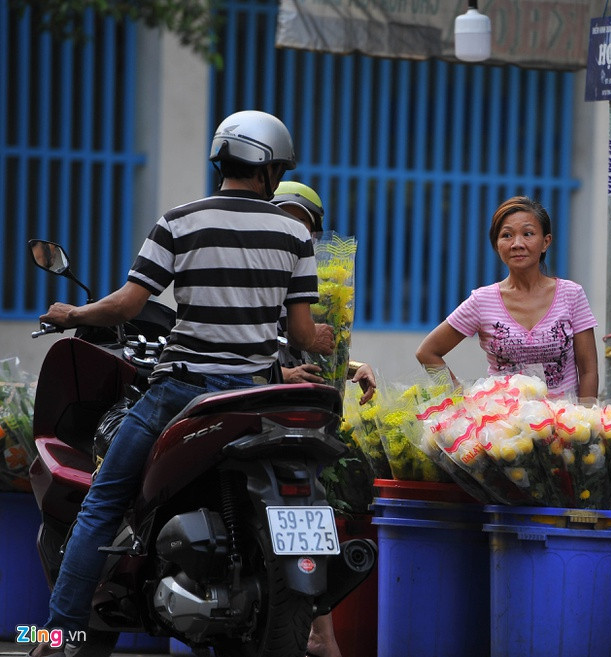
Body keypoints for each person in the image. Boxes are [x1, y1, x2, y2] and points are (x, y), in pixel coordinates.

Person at [29, 110, 331, 657]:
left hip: (185, 391)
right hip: (261, 392)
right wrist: (326, 339)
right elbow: (304, 334)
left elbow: (127, 304)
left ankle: (58, 638)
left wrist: (71, 314)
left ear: (225, 160)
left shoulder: (179, 220)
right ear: (267, 167)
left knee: (101, 502)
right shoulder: (294, 234)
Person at [270, 180, 375, 657]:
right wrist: (279, 372)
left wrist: (352, 367)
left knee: (312, 511)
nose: (296, 232)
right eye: (286, 218)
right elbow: (239, 341)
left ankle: (320, 634)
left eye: (305, 224)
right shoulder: (254, 268)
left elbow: (314, 344)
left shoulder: (314, 280)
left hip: (308, 419)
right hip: (258, 410)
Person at [416, 195, 599, 399]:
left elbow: (588, 370)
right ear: (497, 245)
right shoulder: (482, 301)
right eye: (507, 236)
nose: (517, 244)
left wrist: (587, 420)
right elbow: (427, 352)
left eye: (528, 234)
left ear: (546, 242)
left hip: (565, 425)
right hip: (506, 427)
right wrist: (461, 399)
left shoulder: (571, 294)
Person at [270, 180, 375, 404]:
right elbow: (238, 352)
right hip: (265, 404)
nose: (291, 228)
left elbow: (311, 360)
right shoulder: (255, 277)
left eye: (299, 222)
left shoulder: (319, 285)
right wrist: (287, 372)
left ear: (314, 233)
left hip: (308, 406)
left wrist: (353, 368)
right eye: (282, 219)